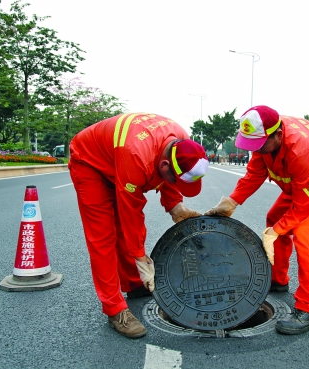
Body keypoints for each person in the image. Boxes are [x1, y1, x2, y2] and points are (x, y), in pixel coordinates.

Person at [205, 105, 309, 335]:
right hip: (299, 183)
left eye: (259, 145)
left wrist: (275, 231)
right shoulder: (264, 138)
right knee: (275, 217)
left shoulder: (301, 148)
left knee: (305, 230)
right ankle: (278, 279)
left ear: (278, 134)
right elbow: (254, 175)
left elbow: (303, 208)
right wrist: (231, 203)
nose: (256, 150)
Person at [69, 112, 209, 339]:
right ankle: (115, 310)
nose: (176, 183)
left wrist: (175, 205)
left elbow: (171, 174)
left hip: (120, 159)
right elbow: (131, 214)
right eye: (175, 179)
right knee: (104, 236)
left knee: (125, 235)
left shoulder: (182, 141)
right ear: (163, 165)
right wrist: (141, 258)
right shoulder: (137, 156)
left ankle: (133, 284)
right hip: (91, 164)